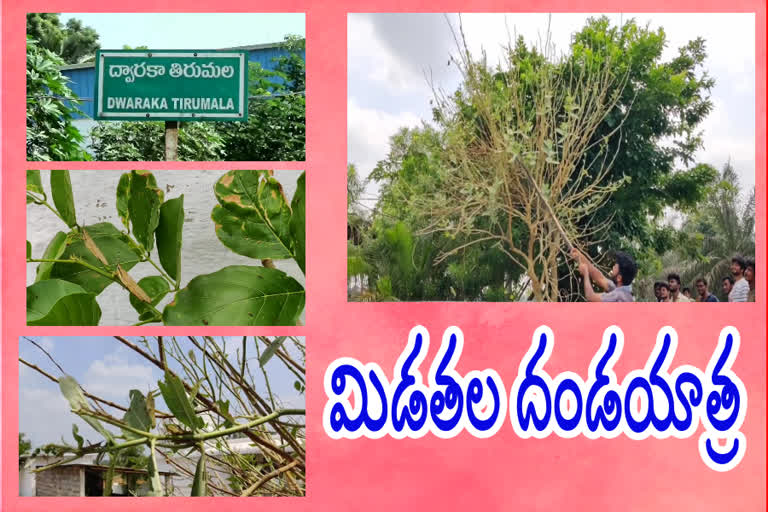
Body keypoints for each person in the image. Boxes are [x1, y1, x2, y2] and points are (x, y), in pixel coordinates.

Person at [571, 248, 636, 302]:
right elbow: (599, 278)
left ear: (619, 278)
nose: (613, 268)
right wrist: (580, 257)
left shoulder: (618, 296)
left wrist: (585, 273)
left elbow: (590, 296)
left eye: (615, 267)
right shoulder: (623, 288)